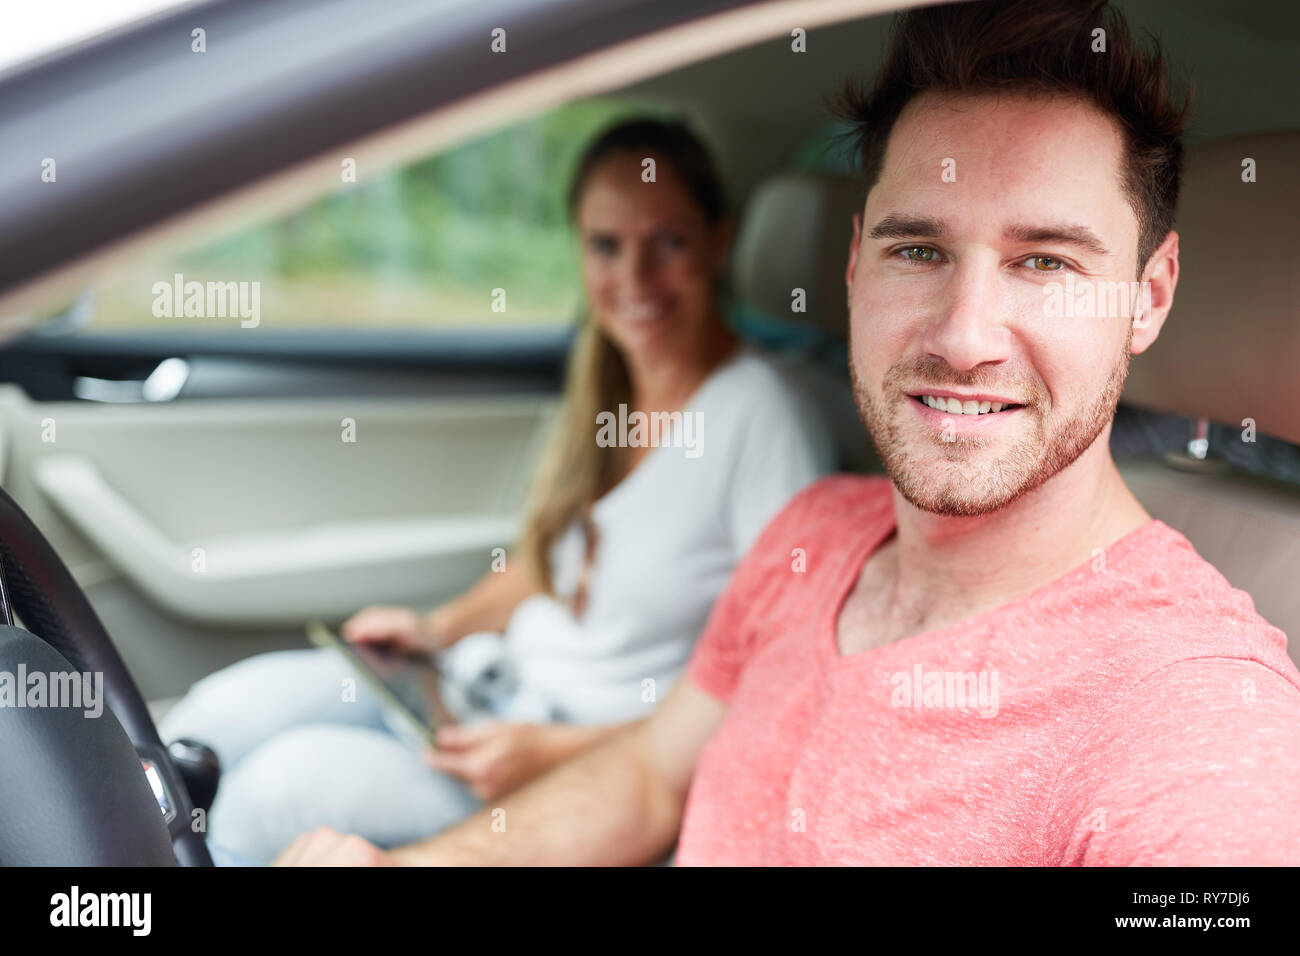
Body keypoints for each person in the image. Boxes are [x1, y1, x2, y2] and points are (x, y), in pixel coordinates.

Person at [274, 0, 1300, 868]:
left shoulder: (1199, 715)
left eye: (1045, 262)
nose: (963, 336)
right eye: (918, 250)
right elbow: (644, 775)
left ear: (1147, 296)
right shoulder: (814, 533)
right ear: (854, 265)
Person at [160, 118, 834, 864]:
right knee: (221, 712)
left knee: (271, 794)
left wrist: (551, 751)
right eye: (606, 246)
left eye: (668, 242)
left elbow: (771, 680)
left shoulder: (765, 417)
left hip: (577, 762)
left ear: (719, 241)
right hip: (486, 692)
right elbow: (548, 567)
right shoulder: (604, 387)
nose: (634, 279)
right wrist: (433, 632)